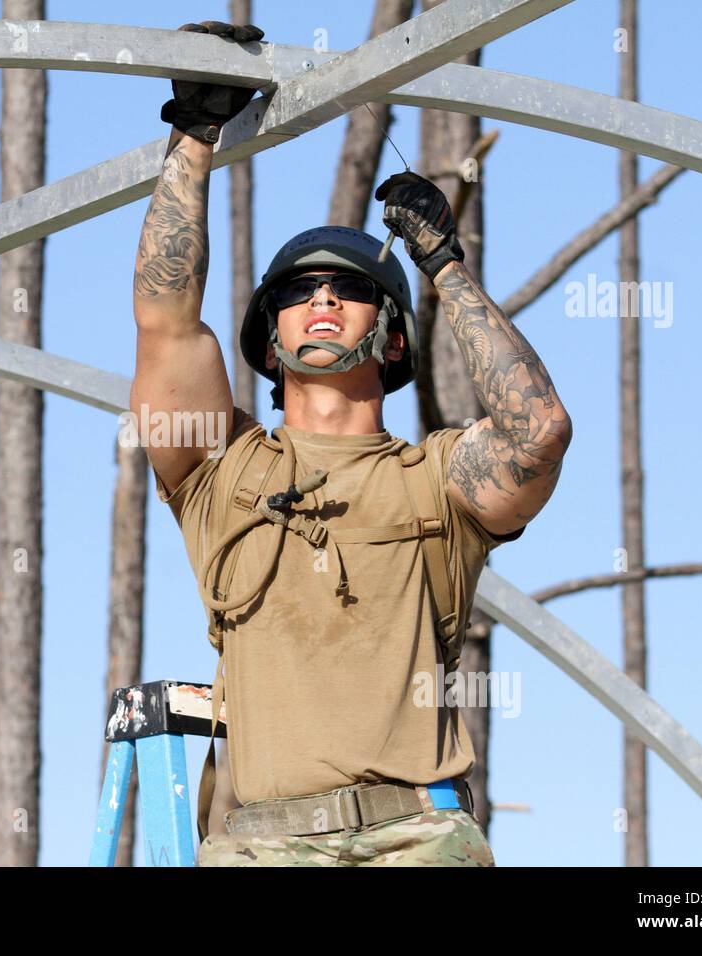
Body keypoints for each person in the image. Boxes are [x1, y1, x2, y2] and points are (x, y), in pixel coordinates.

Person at [132, 23, 572, 866]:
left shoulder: (438, 482)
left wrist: (443, 265)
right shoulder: (219, 471)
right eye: (299, 291)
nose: (324, 300)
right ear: (269, 342)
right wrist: (193, 134)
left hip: (418, 838)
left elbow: (537, 431)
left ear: (395, 337)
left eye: (352, 290)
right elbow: (166, 323)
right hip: (260, 846)